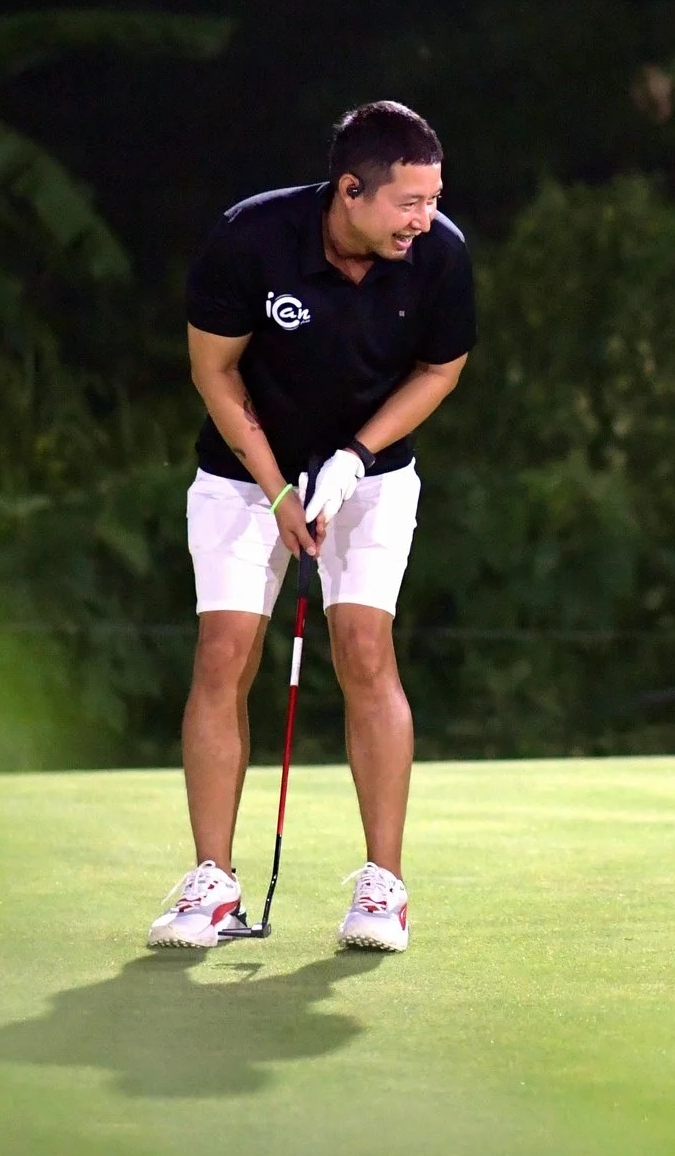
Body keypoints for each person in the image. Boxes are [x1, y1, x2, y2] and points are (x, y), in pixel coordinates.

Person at [147, 101, 474, 953]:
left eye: (433, 197)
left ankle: (383, 889)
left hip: (370, 474)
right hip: (243, 472)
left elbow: (442, 370)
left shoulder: (439, 256)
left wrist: (356, 457)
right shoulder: (251, 239)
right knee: (224, 654)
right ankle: (211, 883)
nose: (424, 217)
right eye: (408, 201)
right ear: (351, 190)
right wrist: (278, 492)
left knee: (366, 649)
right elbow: (212, 373)